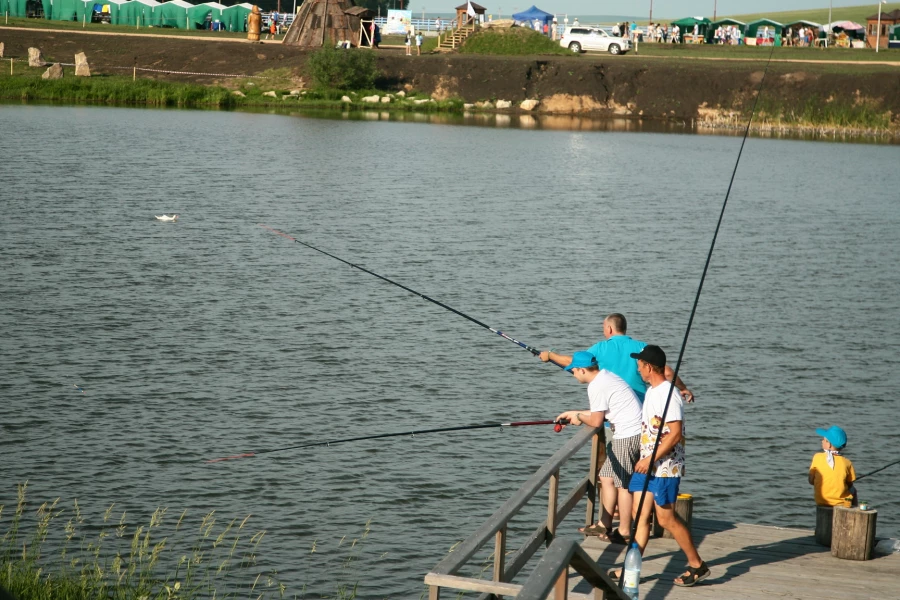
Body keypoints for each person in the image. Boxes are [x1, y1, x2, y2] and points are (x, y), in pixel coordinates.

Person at [610, 345, 709, 587]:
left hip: (664, 467)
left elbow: (674, 434)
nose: (637, 368)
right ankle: (629, 569)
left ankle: (697, 565)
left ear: (649, 367)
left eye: (640, 364)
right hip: (647, 464)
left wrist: (650, 459)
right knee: (639, 515)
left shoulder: (668, 395)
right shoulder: (653, 390)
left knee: (665, 519)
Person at [555, 352, 643, 545]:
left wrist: (579, 417)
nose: (573, 375)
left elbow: (595, 421)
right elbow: (601, 413)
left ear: (582, 369)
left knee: (623, 486)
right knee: (606, 476)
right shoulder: (606, 376)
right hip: (629, 432)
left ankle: (625, 531)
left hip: (627, 436)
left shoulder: (596, 386)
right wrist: (575, 413)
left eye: (573, 372)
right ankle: (604, 523)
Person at [540, 313, 694, 403]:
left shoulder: (600, 348)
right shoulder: (641, 347)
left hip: (612, 413)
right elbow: (666, 372)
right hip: (640, 410)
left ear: (610, 329)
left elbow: (574, 362)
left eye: (603, 328)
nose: (603, 332)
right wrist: (683, 388)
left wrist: (550, 355)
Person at [809, 425, 857, 507]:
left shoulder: (817, 457)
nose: (822, 441)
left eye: (824, 440)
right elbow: (849, 484)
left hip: (821, 501)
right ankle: (854, 509)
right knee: (853, 490)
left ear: (829, 445)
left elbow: (811, 481)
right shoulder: (847, 462)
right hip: (841, 504)